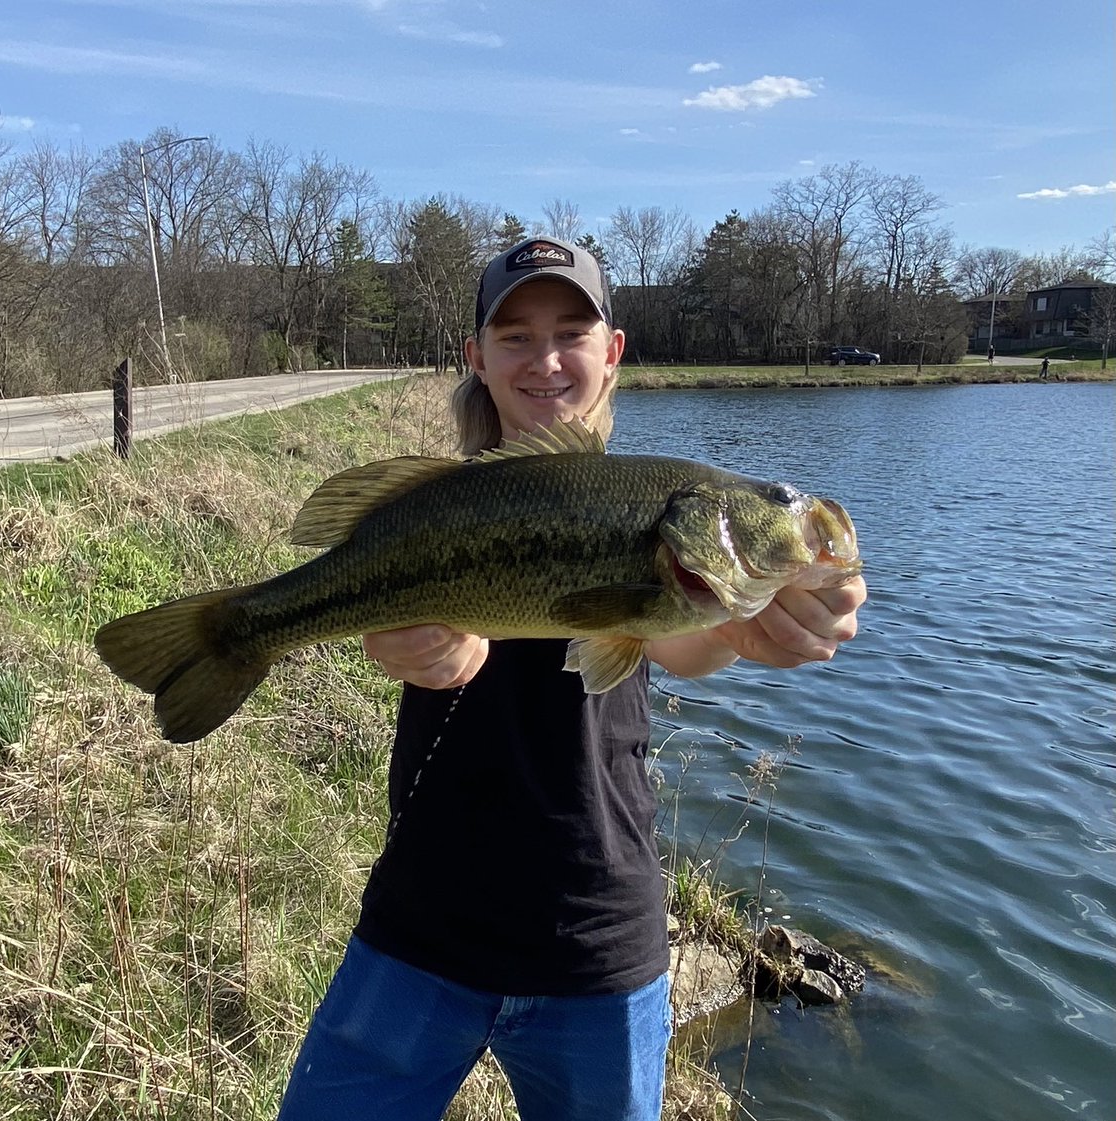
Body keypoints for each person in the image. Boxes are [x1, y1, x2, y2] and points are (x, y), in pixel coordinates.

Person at [276, 237, 868, 1121]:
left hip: (597, 949)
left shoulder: (655, 514)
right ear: (475, 358)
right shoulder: (448, 499)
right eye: (514, 336)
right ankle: (246, 629)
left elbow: (683, 645)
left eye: (570, 333)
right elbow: (393, 615)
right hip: (420, 927)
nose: (545, 359)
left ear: (613, 351)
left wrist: (748, 631)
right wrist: (391, 639)